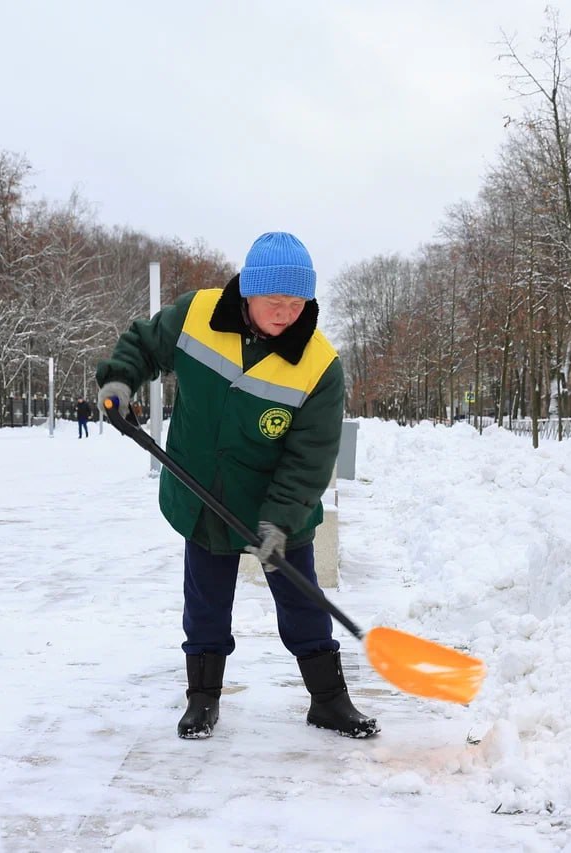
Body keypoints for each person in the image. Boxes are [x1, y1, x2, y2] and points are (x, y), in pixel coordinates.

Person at [96, 231, 377, 740]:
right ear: (249, 291)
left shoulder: (319, 367)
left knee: (302, 603)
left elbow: (310, 460)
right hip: (201, 497)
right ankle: (203, 698)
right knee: (205, 602)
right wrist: (120, 379)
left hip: (278, 507)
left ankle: (329, 700)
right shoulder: (197, 315)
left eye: (297, 303)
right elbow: (143, 343)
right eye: (275, 301)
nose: (286, 314)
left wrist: (279, 522)